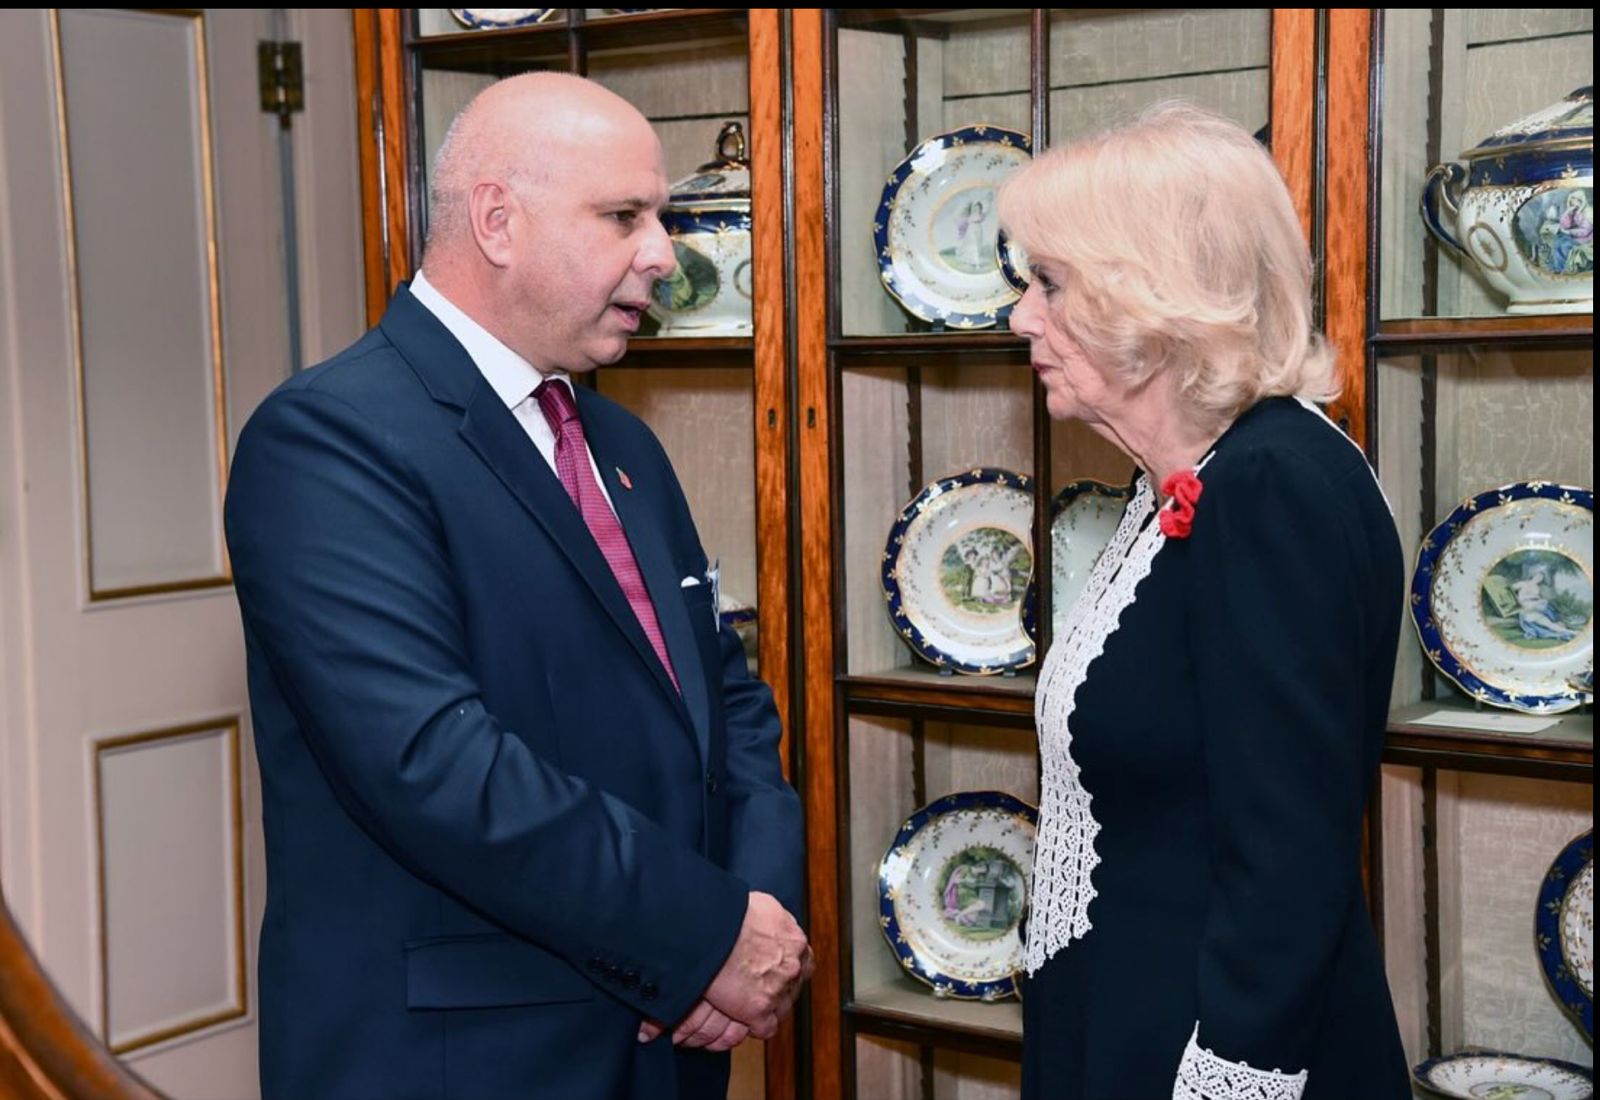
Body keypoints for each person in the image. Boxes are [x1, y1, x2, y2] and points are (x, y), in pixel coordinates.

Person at [224, 72, 808, 1100]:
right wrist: (705, 931)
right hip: (466, 1055)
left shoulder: (620, 440)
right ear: (497, 220)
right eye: (624, 215)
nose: (664, 252)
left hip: (667, 1040)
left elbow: (724, 697)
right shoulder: (330, 439)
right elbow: (434, 764)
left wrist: (754, 915)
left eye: (660, 216)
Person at [998, 102, 1410, 1099]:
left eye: (1049, 285)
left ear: (1151, 296)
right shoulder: (1188, 480)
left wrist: (1228, 1081)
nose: (1018, 317)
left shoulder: (1272, 487)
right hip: (1132, 1013)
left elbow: (1286, 860)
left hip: (1212, 1053)